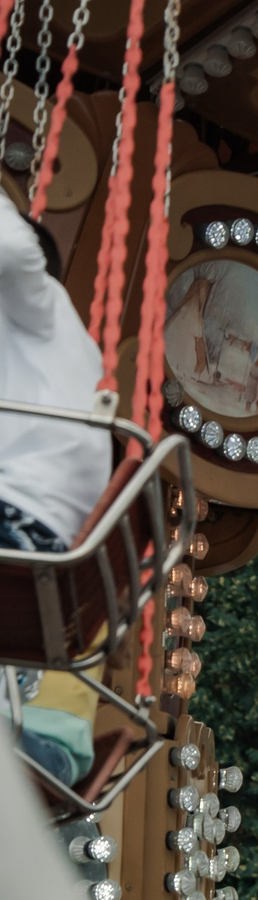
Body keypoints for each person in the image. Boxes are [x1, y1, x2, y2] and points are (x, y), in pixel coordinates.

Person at [0, 202, 108, 791]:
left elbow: (17, 251)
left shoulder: (41, 308)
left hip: (22, 526)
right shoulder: (53, 363)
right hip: (39, 536)